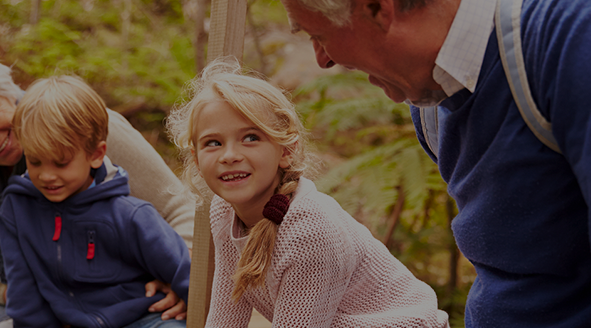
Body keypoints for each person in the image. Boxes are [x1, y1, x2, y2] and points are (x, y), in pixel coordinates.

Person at [256, 0, 591, 326]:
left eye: (318, 34)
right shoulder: (431, 99)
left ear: (373, 3)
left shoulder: (578, 28)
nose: (322, 60)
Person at [0, 39, 195, 328]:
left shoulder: (85, 129)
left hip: (126, 298)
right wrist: (36, 298)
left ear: (4, 90)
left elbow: (181, 209)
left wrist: (179, 282)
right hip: (32, 303)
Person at [166, 59, 449, 327]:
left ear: (286, 150)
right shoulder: (223, 211)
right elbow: (228, 313)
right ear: (196, 158)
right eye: (213, 142)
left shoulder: (310, 231)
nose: (229, 155)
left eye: (250, 138)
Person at [0, 75, 189, 327]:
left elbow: (183, 270)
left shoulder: (130, 214)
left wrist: (190, 299)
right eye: (34, 161)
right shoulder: (17, 209)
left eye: (61, 162)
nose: (46, 175)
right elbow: (24, 291)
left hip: (143, 317)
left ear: (96, 155)